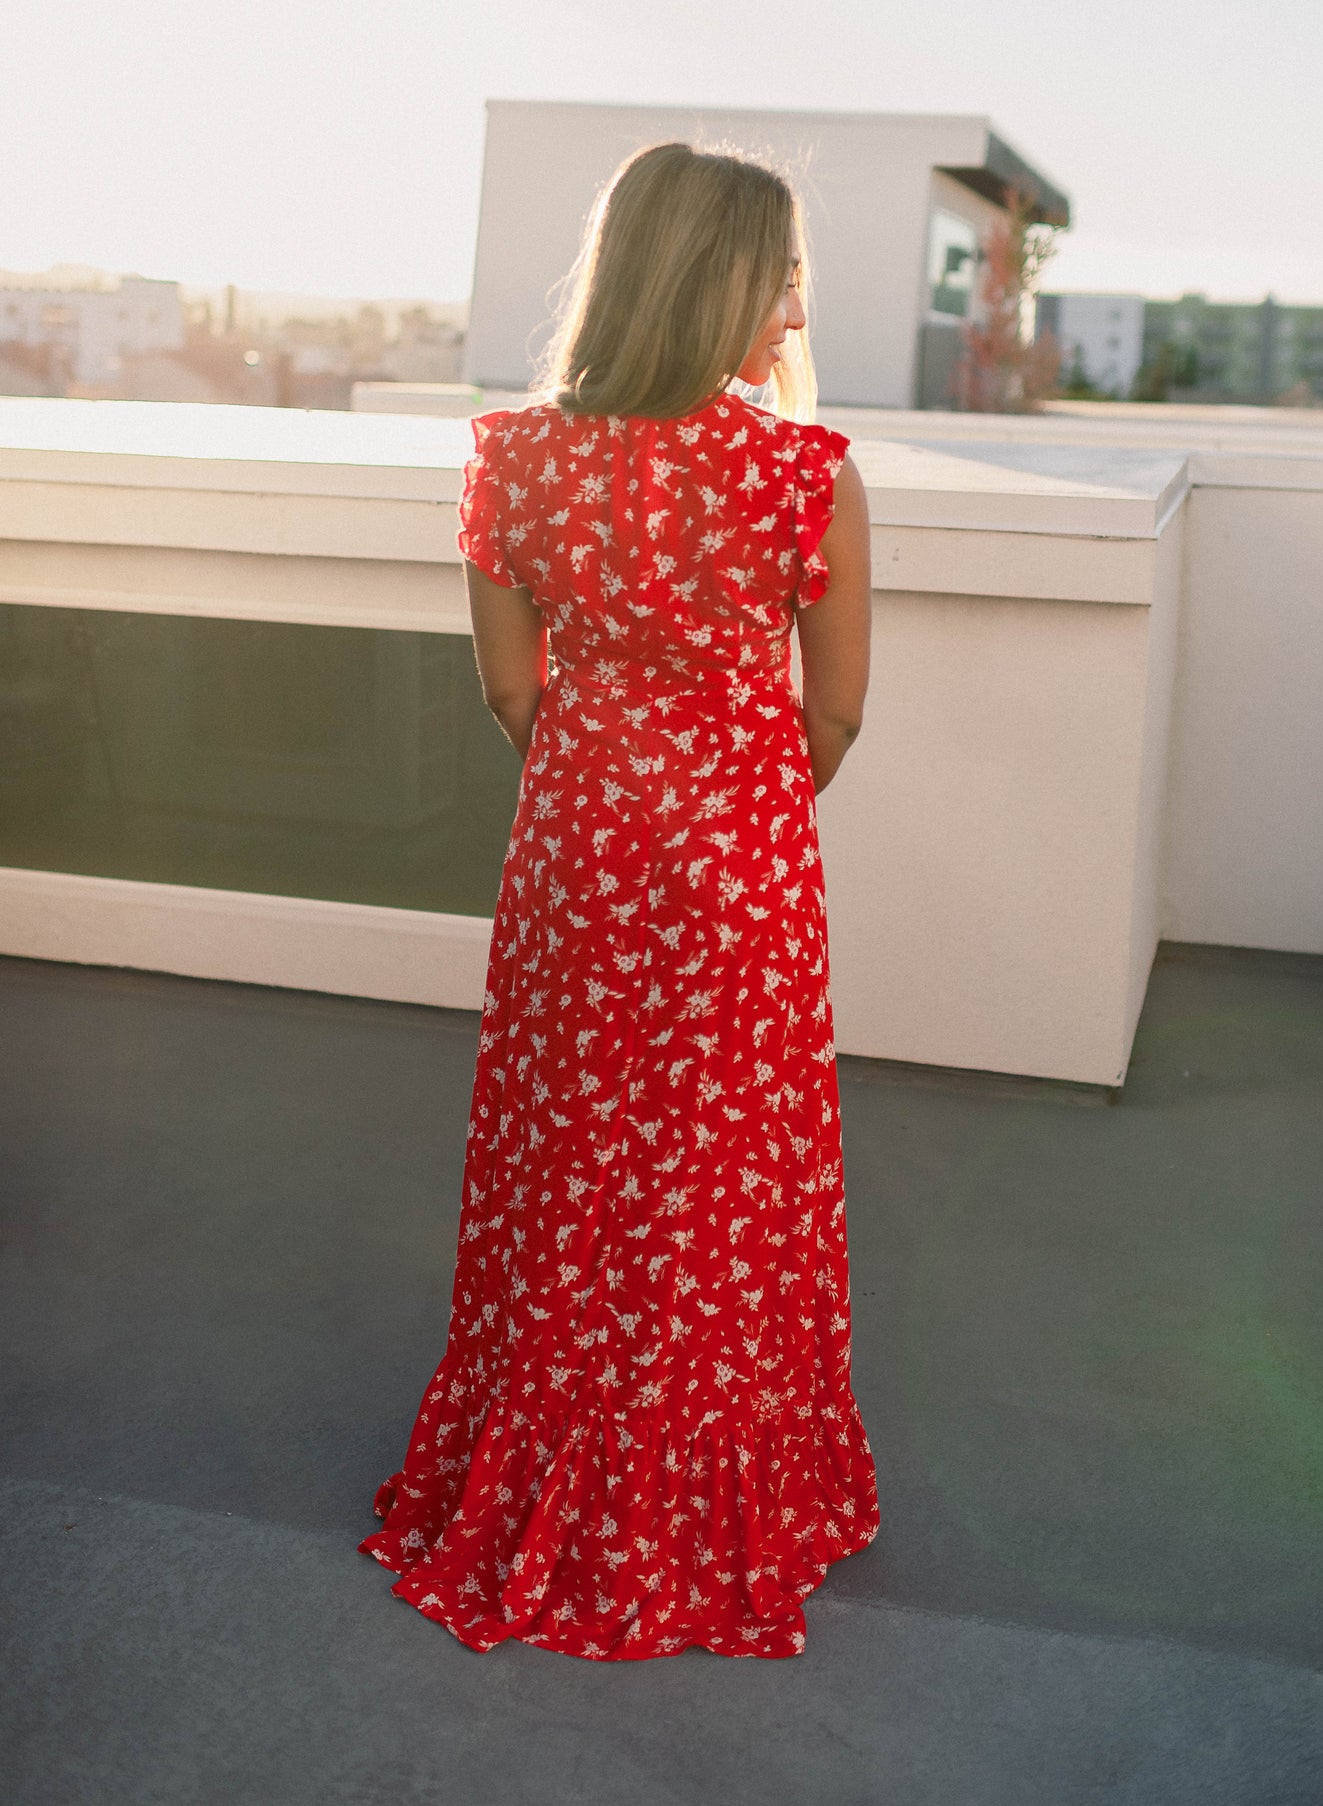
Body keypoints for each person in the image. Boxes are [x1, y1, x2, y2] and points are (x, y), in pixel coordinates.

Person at [360, 140, 878, 1660]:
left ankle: (539, 1474)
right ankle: (707, 1488)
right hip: (740, 879)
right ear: (723, 283)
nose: (793, 299)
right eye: (778, 272)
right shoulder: (804, 474)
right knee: (723, 1185)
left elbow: (509, 683)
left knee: (569, 1164)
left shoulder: (511, 456)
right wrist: (727, 815)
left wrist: (608, 781)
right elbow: (833, 715)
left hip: (575, 862)